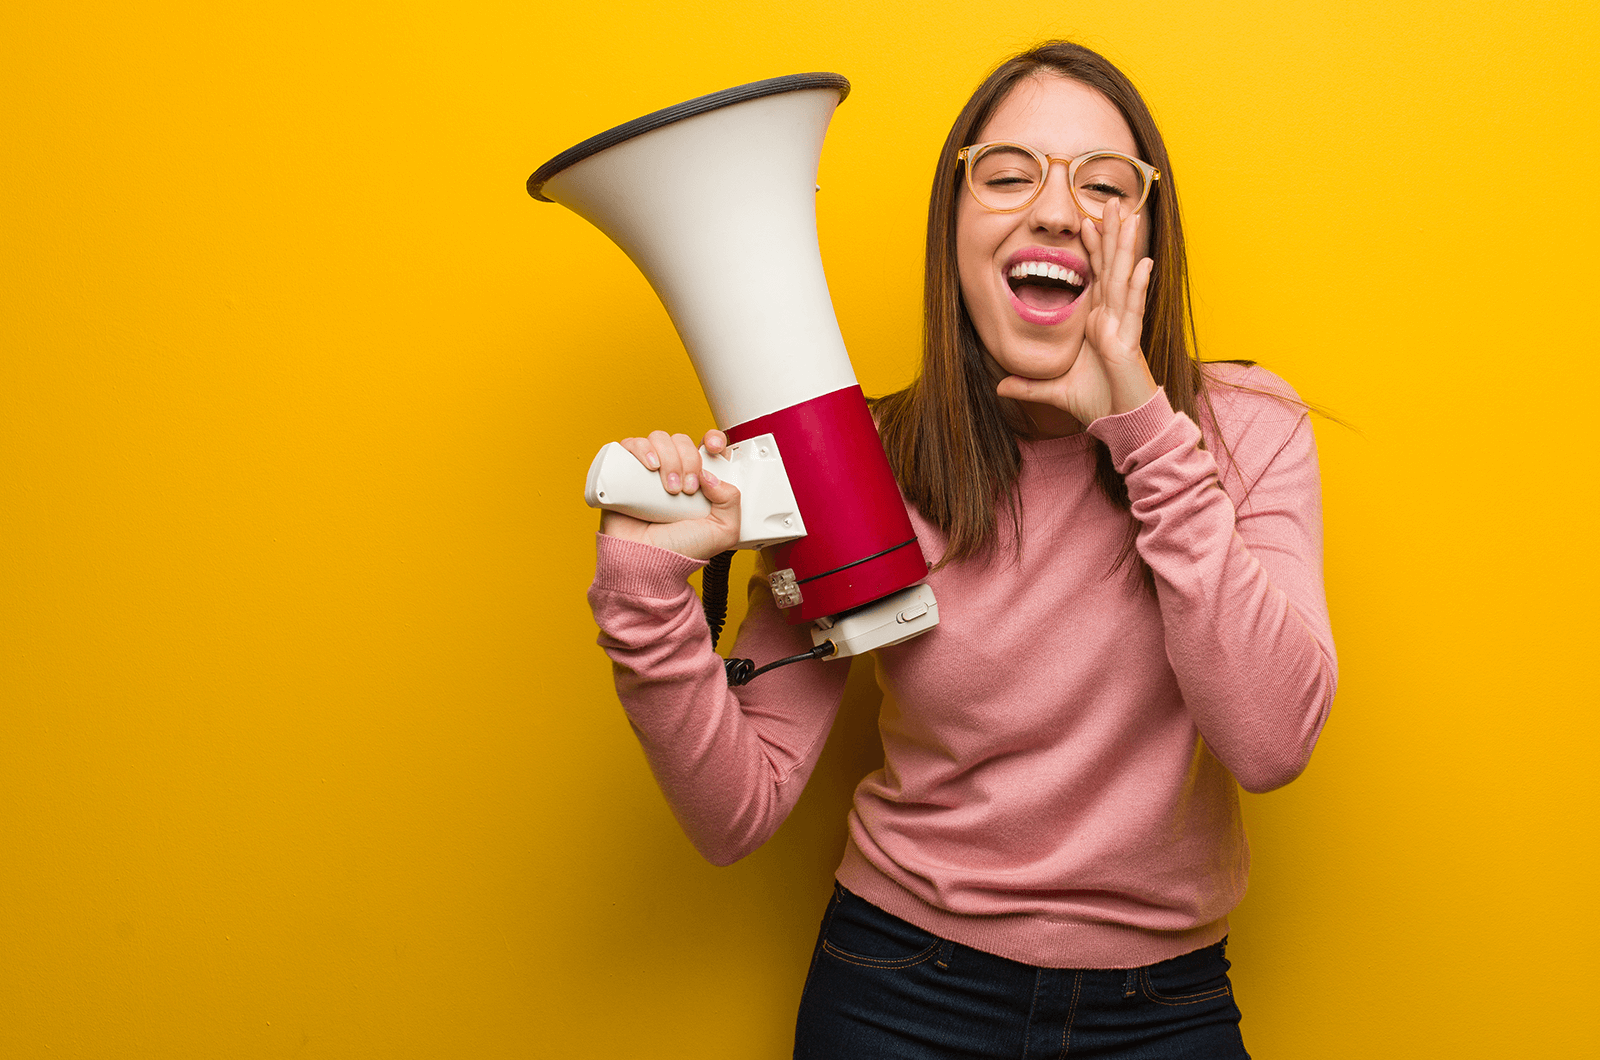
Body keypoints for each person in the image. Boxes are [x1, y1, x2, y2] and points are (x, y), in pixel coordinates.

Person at [587, 40, 1336, 1059]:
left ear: (1150, 240)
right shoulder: (862, 467)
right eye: (1009, 172)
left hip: (1163, 1009)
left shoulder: (1248, 429)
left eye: (1105, 185)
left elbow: (1271, 740)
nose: (1058, 208)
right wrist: (644, 599)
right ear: (953, 227)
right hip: (898, 996)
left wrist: (1144, 429)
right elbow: (735, 809)